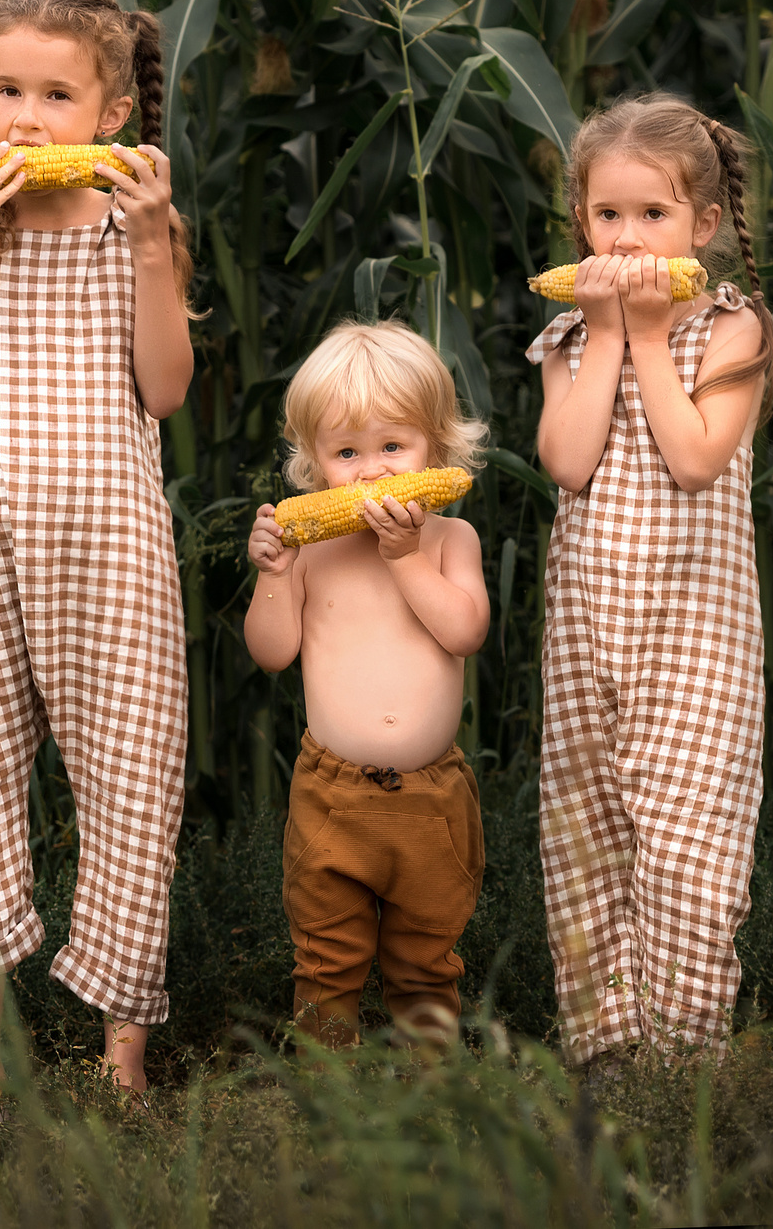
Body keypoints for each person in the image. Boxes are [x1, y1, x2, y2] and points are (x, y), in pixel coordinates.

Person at [0, 0, 196, 1101]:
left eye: (54, 95)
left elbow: (163, 392)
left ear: (111, 113)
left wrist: (159, 244)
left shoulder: (133, 229)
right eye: (4, 90)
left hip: (107, 539)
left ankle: (123, 1057)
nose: (24, 117)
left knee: (132, 772)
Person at [526, 95, 773, 1072]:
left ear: (703, 228)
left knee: (685, 852)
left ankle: (681, 1060)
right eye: (607, 217)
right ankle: (604, 1053)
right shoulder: (564, 342)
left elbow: (692, 459)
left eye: (652, 216)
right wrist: (598, 335)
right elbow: (567, 460)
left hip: (695, 642)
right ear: (580, 223)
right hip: (589, 637)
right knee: (587, 843)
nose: (627, 240)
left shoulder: (732, 331)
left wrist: (638, 337)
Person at [243, 321, 492, 1050]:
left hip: (430, 800)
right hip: (333, 795)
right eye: (347, 452)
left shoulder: (452, 541)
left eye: (393, 446)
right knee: (326, 959)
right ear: (314, 462)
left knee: (426, 959)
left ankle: (433, 1093)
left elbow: (465, 631)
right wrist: (273, 577)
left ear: (435, 447)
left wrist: (407, 559)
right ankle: (329, 1090)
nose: (372, 471)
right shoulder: (312, 554)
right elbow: (272, 651)